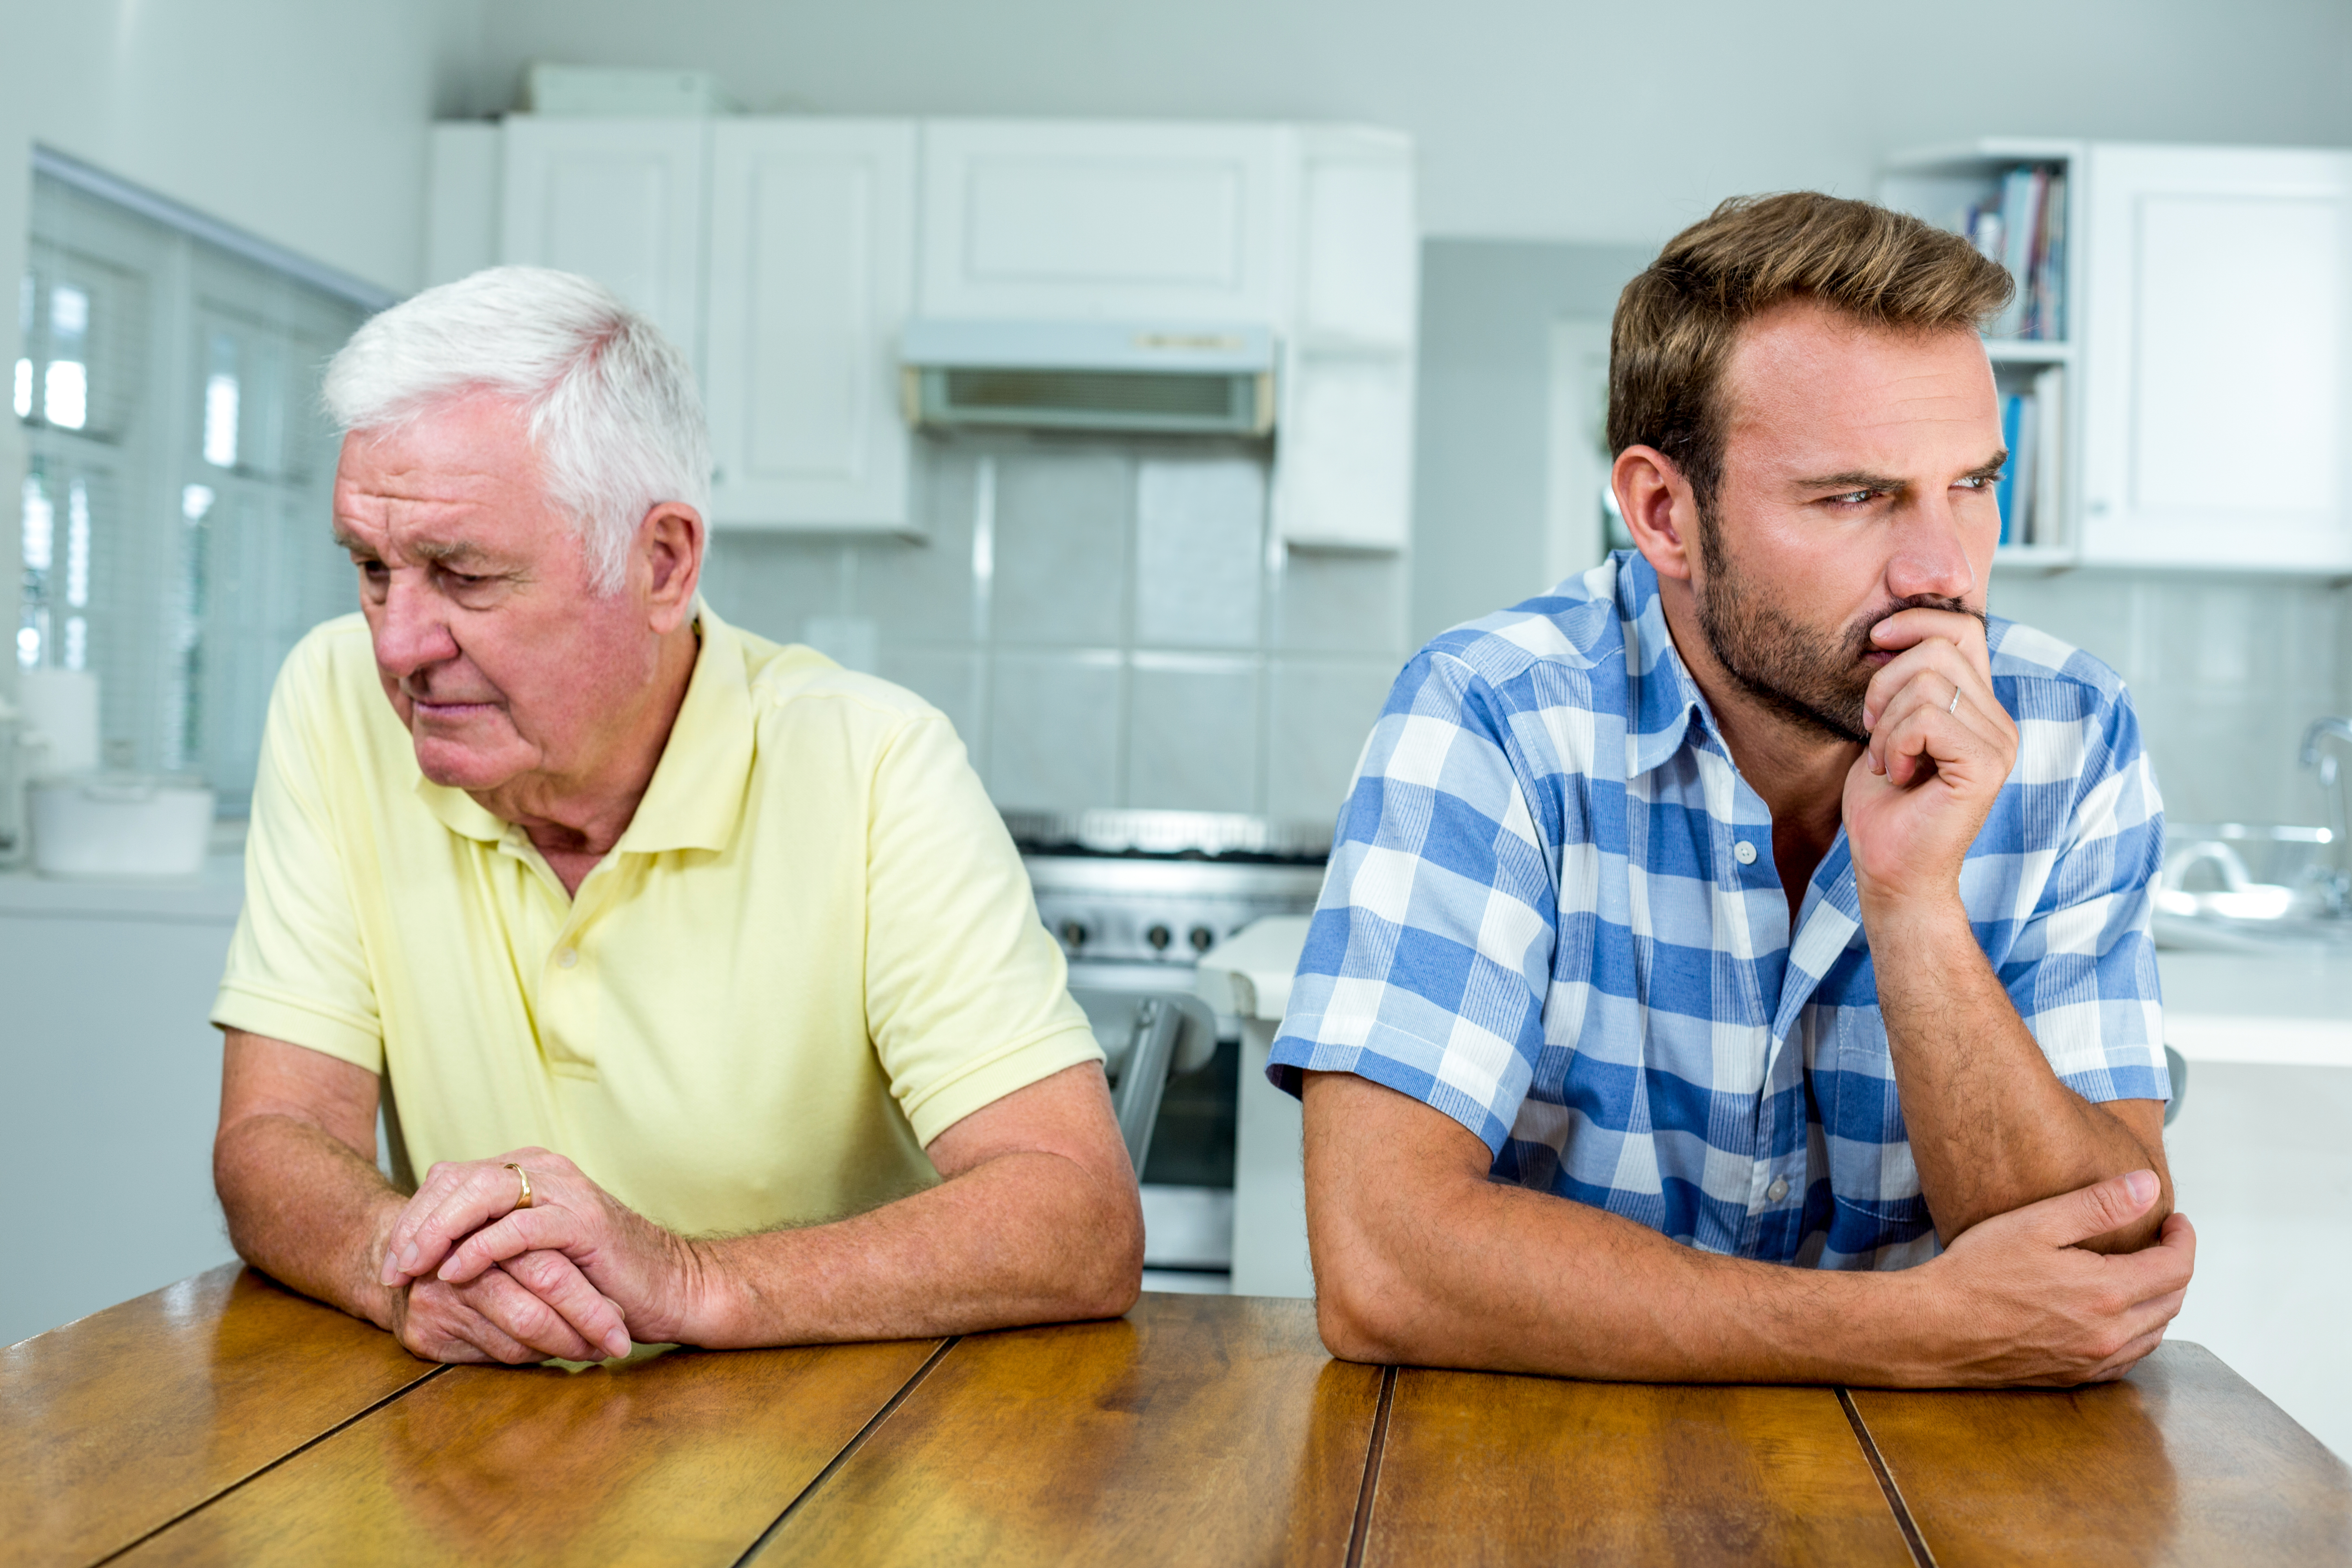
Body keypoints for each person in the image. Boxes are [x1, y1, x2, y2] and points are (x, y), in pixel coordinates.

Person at [1276, 193, 2194, 1387]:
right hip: (1541, 1476)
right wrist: (1907, 1331)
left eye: (1970, 483)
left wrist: (1911, 897)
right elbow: (1382, 1262)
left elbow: (2103, 1259)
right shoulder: (1493, 714)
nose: (1939, 570)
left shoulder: (2069, 731)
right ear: (1664, 512)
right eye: (1851, 496)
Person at [210, 266, 1142, 1366]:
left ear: (662, 563)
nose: (399, 644)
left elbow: (1079, 1218)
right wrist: (390, 1261)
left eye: (462, 574)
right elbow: (276, 1135)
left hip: (837, 1451)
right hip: (489, 1440)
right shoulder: (331, 700)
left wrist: (689, 1280)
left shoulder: (874, 762)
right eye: (371, 569)